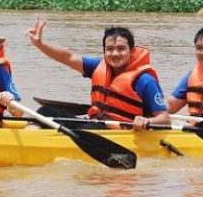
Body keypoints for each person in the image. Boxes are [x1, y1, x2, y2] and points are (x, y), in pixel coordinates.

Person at [26, 18, 170, 130]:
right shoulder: (98, 66)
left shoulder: (145, 81)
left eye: (121, 49)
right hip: (95, 124)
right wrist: (40, 44)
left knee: (84, 128)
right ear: (104, 51)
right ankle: (29, 140)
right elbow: (69, 57)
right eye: (110, 49)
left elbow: (165, 119)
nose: (115, 54)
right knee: (45, 112)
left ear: (131, 51)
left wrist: (147, 121)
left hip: (120, 132)